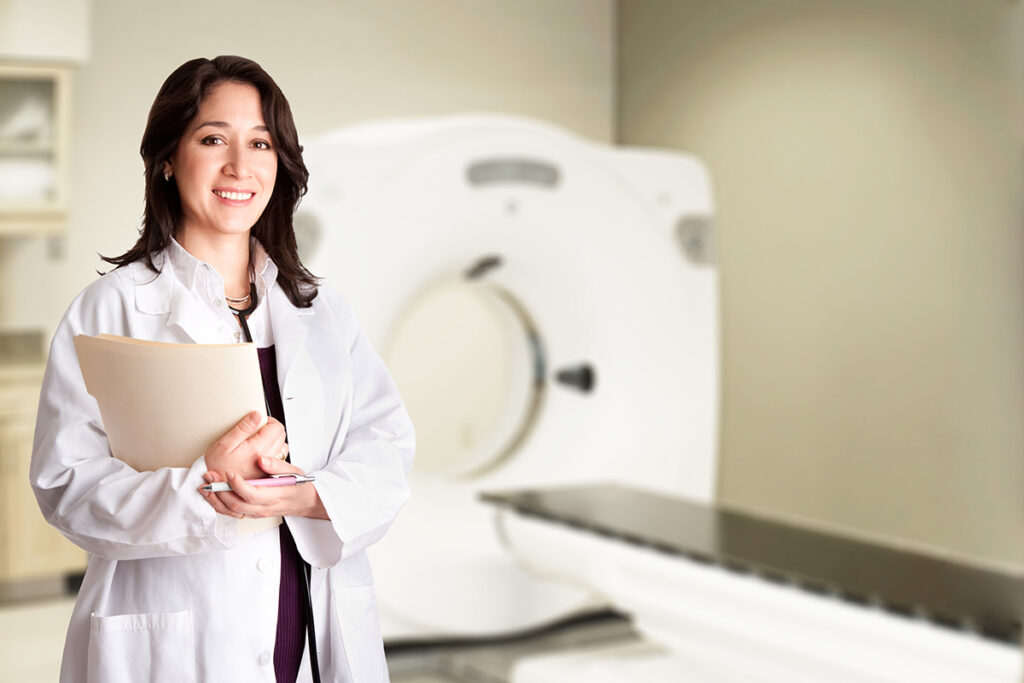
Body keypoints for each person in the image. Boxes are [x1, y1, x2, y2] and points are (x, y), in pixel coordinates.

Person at [29, 55, 414, 683]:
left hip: (313, 621)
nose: (239, 166)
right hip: (179, 632)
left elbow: (386, 443)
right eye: (213, 139)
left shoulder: (319, 310)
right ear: (168, 158)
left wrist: (309, 496)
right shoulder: (112, 309)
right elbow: (67, 486)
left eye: (260, 143)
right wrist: (206, 490)